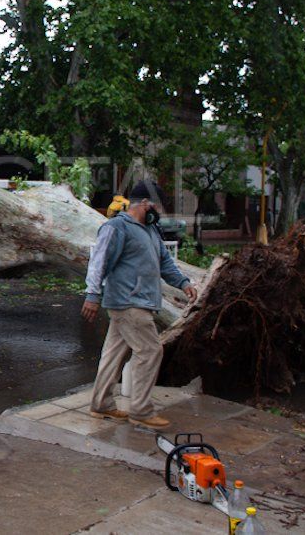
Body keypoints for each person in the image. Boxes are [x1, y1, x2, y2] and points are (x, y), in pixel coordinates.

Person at [82, 180, 197, 430]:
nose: (159, 211)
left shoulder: (151, 230)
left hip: (138, 302)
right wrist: (92, 295)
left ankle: (101, 404)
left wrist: (183, 282)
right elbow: (99, 262)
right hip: (128, 302)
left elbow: (165, 262)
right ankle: (141, 411)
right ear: (145, 203)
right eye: (157, 206)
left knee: (113, 355)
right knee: (151, 351)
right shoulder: (116, 227)